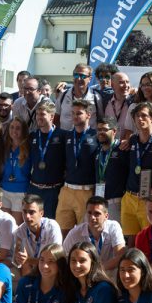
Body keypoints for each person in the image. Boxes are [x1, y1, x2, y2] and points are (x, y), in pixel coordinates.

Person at [120, 102, 152, 243]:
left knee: (148, 241)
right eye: (137, 116)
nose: (140, 119)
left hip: (149, 199)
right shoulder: (132, 140)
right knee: (130, 241)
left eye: (144, 116)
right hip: (129, 197)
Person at [55, 99, 99, 231]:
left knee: (84, 232)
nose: (75, 116)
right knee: (62, 230)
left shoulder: (96, 136)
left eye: (79, 113)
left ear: (88, 115)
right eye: (73, 113)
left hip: (86, 191)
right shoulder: (67, 136)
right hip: (67, 190)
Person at [27, 101, 68, 218]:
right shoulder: (33, 136)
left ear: (51, 116)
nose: (39, 117)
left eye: (42, 114)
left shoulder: (63, 135)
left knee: (51, 225)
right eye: (37, 114)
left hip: (53, 190)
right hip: (34, 188)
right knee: (32, 222)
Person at [63, 196, 126, 271]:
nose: (92, 217)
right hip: (84, 276)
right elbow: (63, 256)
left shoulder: (113, 227)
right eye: (89, 213)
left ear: (106, 216)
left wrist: (97, 270)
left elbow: (120, 256)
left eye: (97, 213)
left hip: (109, 277)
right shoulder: (75, 233)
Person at [12, 194, 64, 276]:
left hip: (49, 268)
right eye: (24, 212)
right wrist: (18, 258)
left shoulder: (52, 227)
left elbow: (53, 259)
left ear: (41, 213)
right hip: (30, 269)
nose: (27, 216)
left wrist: (28, 260)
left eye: (31, 212)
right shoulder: (19, 231)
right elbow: (18, 262)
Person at [0, 116, 31, 219]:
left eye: (18, 128)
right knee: (4, 225)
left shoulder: (29, 147)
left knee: (16, 227)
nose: (14, 130)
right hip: (5, 189)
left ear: (23, 130)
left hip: (20, 191)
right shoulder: (4, 146)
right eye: (12, 127)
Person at [95, 117, 127, 223]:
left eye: (105, 129)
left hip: (116, 201)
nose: (101, 132)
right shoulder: (97, 151)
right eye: (99, 130)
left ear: (114, 131)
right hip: (100, 201)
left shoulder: (122, 149)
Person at [56, 63, 102, 129]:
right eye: (76, 75)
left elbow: (101, 119)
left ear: (90, 79)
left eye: (83, 76)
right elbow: (56, 117)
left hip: (88, 137)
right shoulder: (63, 95)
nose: (79, 79)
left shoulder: (96, 98)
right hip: (65, 137)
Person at [101, 72, 133, 142]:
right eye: (121, 82)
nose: (126, 85)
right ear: (112, 85)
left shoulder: (134, 102)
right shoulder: (104, 101)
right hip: (109, 146)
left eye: (127, 82)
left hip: (127, 147)